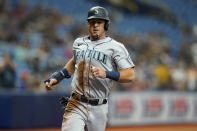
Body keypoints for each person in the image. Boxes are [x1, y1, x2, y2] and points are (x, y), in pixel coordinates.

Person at [44, 6, 135, 131]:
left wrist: (107, 74)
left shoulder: (116, 47)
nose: (95, 25)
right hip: (76, 102)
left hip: (99, 107)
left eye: (99, 22)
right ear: (88, 24)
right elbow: (74, 62)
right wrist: (58, 77)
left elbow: (130, 75)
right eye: (92, 22)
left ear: (106, 25)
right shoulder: (78, 43)